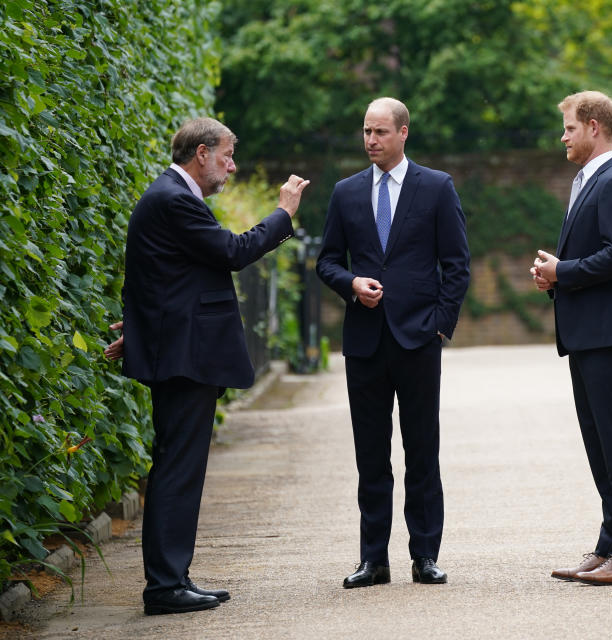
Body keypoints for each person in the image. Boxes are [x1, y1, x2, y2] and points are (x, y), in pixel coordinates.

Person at [104, 117, 310, 615]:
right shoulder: (175, 198)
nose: (232, 166)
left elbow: (162, 276)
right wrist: (283, 214)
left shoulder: (170, 196)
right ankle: (165, 586)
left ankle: (173, 578)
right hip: (185, 358)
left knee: (180, 467)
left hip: (177, 350)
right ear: (201, 154)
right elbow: (231, 253)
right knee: (178, 469)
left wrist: (140, 326)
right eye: (226, 156)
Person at [316, 97, 470, 589]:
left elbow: (457, 263)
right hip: (364, 342)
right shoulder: (345, 192)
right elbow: (326, 261)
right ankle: (372, 560)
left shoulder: (437, 187)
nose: (370, 141)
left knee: (422, 450)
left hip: (418, 339)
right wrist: (350, 284)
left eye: (380, 132)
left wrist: (441, 324)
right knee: (371, 456)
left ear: (404, 133)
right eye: (365, 131)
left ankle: (425, 555)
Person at [531, 91, 612, 586]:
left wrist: (564, 271)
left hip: (606, 335)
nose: (564, 137)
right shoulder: (587, 180)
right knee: (599, 446)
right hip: (586, 335)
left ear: (595, 127)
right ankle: (609, 545)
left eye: (570, 128)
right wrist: (556, 275)